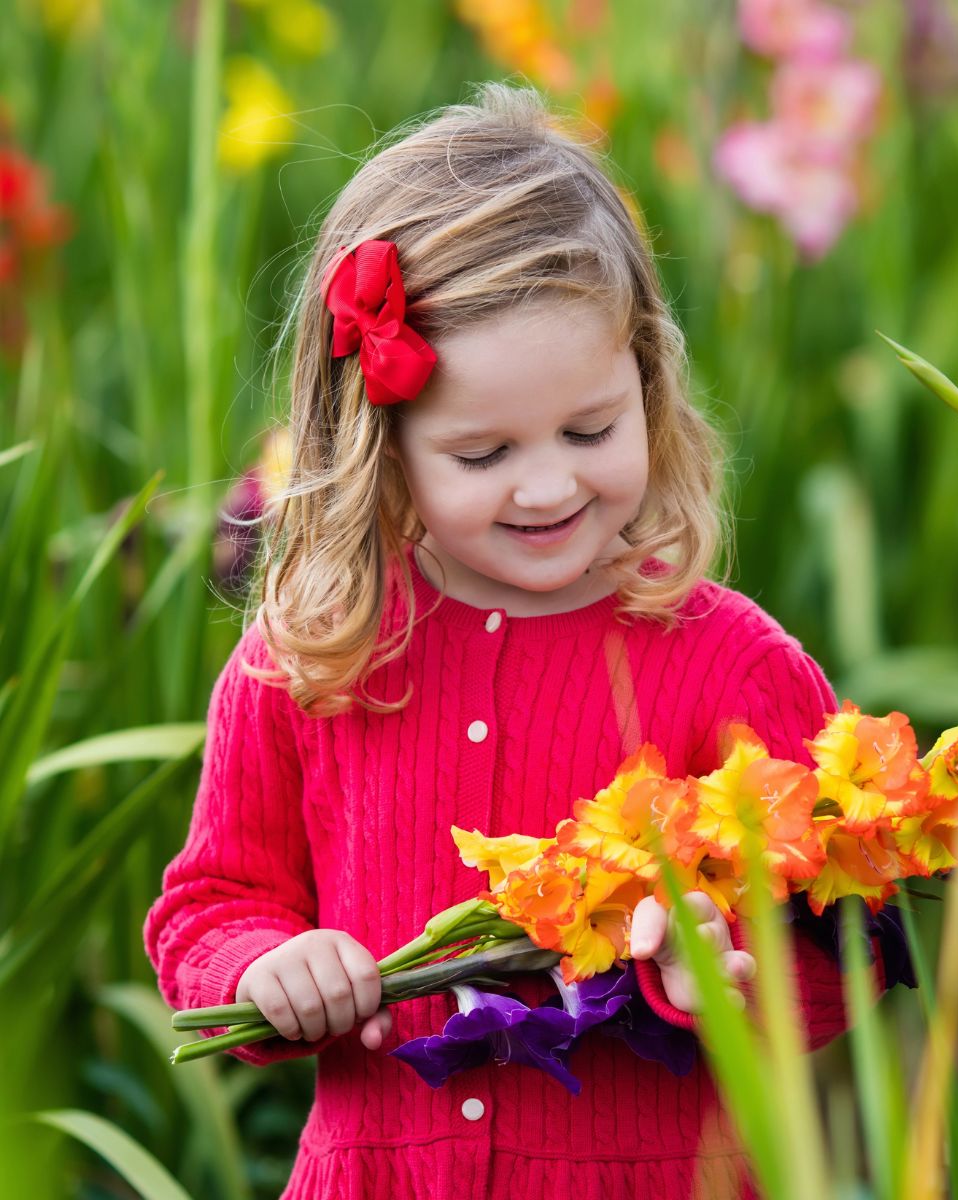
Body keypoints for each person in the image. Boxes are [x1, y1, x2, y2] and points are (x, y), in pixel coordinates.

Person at [143, 82, 891, 1200]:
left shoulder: (732, 665)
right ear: (378, 445)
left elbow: (851, 939)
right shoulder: (306, 663)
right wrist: (266, 967)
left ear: (646, 383)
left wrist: (732, 978)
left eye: (590, 429)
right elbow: (210, 906)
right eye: (483, 454)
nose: (548, 485)